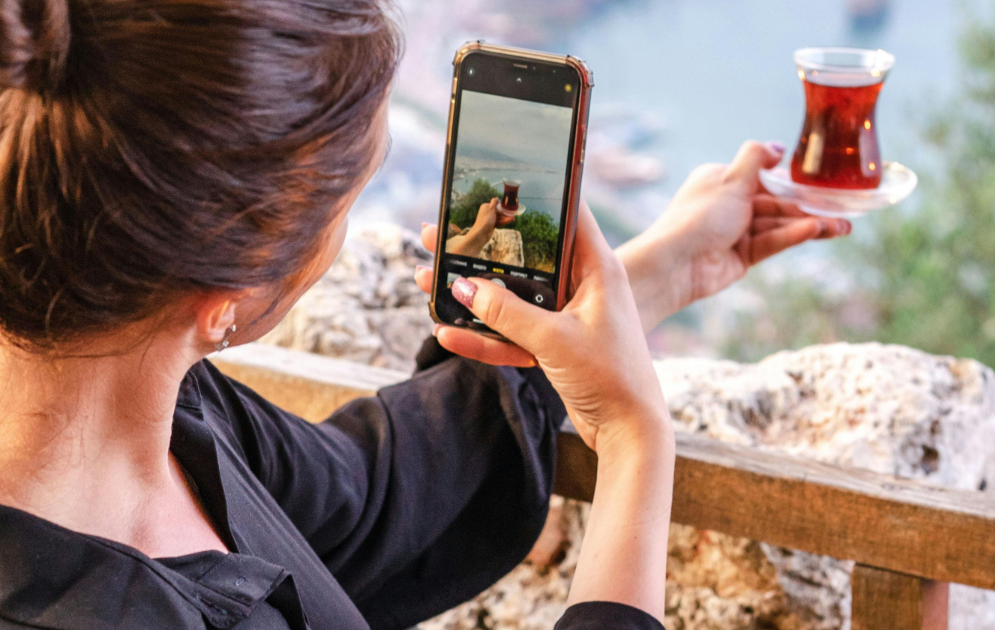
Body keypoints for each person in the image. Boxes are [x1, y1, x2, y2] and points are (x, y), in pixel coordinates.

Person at [0, 0, 852, 628]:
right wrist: (634, 440)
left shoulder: (157, 399)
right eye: (341, 212)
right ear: (231, 298)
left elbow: (369, 499)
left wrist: (663, 270)